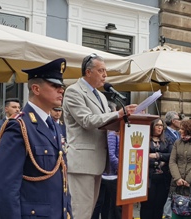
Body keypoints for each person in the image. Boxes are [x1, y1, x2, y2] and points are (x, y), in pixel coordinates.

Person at [0, 58, 72, 218]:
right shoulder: (19, 126)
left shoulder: (54, 125)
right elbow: (7, 188)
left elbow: (62, 181)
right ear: (36, 89)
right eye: (54, 86)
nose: (61, 90)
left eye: (61, 87)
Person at [62, 53, 137, 219]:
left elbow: (104, 123)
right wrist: (117, 114)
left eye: (105, 70)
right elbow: (87, 120)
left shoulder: (101, 96)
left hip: (98, 162)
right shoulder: (74, 91)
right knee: (80, 212)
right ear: (88, 72)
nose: (105, 75)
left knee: (89, 212)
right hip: (82, 162)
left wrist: (125, 120)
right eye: (101, 70)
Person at [92, 101, 122, 219]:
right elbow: (111, 155)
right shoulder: (110, 133)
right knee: (100, 205)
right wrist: (119, 168)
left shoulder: (116, 132)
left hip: (112, 175)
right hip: (107, 175)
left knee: (108, 207)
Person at [169, 119, 191, 219]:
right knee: (177, 212)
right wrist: (178, 178)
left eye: (182, 129)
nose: (180, 130)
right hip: (178, 185)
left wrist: (188, 180)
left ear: (189, 130)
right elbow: (172, 162)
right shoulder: (177, 142)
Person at [140, 118, 172, 219]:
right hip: (148, 177)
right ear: (152, 126)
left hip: (163, 178)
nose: (159, 127)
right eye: (157, 125)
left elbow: (171, 155)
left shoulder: (167, 140)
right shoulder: (144, 139)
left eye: (161, 125)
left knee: (159, 205)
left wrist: (157, 155)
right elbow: (142, 155)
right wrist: (157, 162)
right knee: (147, 205)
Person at [163, 111, 181, 218]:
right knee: (169, 194)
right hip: (168, 169)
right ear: (173, 121)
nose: (180, 122)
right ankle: (167, 214)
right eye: (178, 119)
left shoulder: (178, 133)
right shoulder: (166, 134)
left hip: (178, 168)